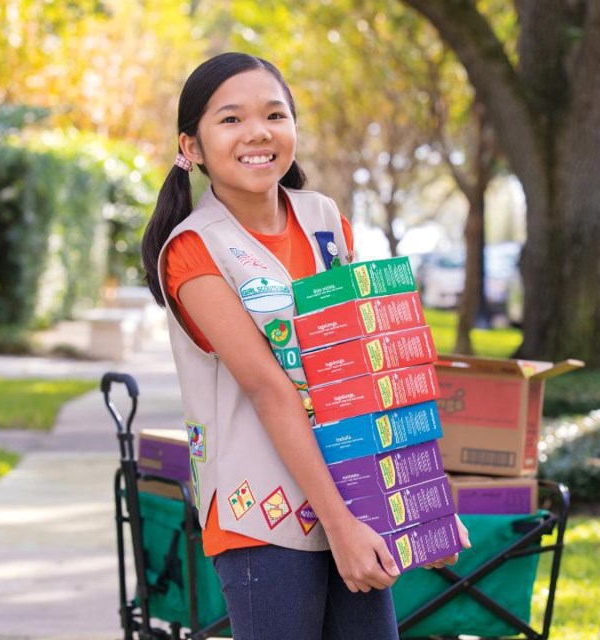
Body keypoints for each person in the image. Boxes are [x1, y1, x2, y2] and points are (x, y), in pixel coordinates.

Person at [141, 52, 468, 640]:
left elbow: (368, 368)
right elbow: (269, 389)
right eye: (231, 120)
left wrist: (421, 510)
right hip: (260, 514)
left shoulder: (325, 220)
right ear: (190, 147)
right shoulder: (194, 250)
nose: (258, 133)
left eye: (274, 114)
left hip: (353, 495)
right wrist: (341, 525)